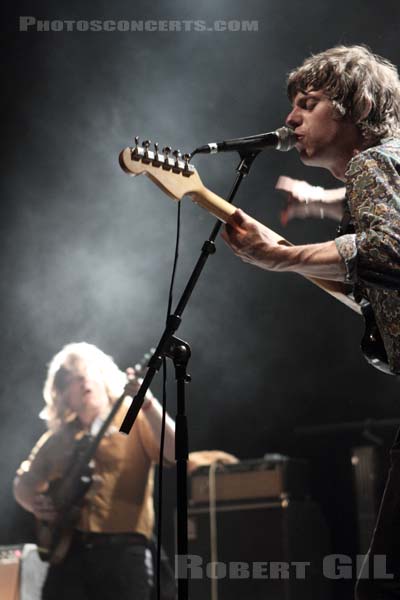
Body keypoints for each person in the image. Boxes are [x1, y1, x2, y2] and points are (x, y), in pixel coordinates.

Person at [221, 45, 400, 598]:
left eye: (309, 103)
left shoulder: (375, 161)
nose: (290, 119)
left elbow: (387, 250)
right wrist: (292, 251)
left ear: (356, 104)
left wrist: (283, 257)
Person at [14, 342, 236, 600]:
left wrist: (149, 404)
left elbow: (177, 453)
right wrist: (34, 503)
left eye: (88, 373)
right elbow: (24, 481)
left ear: (103, 376)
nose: (84, 381)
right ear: (62, 393)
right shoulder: (57, 438)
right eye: (73, 379)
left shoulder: (133, 416)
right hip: (68, 554)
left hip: (123, 552)